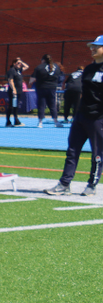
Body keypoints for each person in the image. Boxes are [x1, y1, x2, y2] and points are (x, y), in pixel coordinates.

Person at [44, 35, 103, 196]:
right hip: (81, 116)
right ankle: (64, 184)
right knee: (72, 150)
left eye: (96, 46)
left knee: (97, 153)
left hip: (98, 118)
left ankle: (92, 184)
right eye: (92, 46)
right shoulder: (89, 69)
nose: (92, 49)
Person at [31, 54, 61, 127]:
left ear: (43, 60)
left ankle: (40, 122)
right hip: (52, 88)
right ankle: (56, 121)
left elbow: (32, 78)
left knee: (41, 105)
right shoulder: (56, 67)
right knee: (52, 104)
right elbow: (59, 77)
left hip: (41, 87)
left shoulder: (39, 67)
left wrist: (32, 83)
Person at [5, 57, 27, 127]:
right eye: (18, 63)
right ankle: (8, 122)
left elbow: (27, 66)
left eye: (20, 63)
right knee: (11, 106)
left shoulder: (19, 70)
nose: (20, 64)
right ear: (14, 64)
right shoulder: (12, 70)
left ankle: (16, 120)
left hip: (19, 91)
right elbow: (10, 80)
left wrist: (21, 62)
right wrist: (14, 89)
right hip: (13, 91)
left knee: (16, 106)